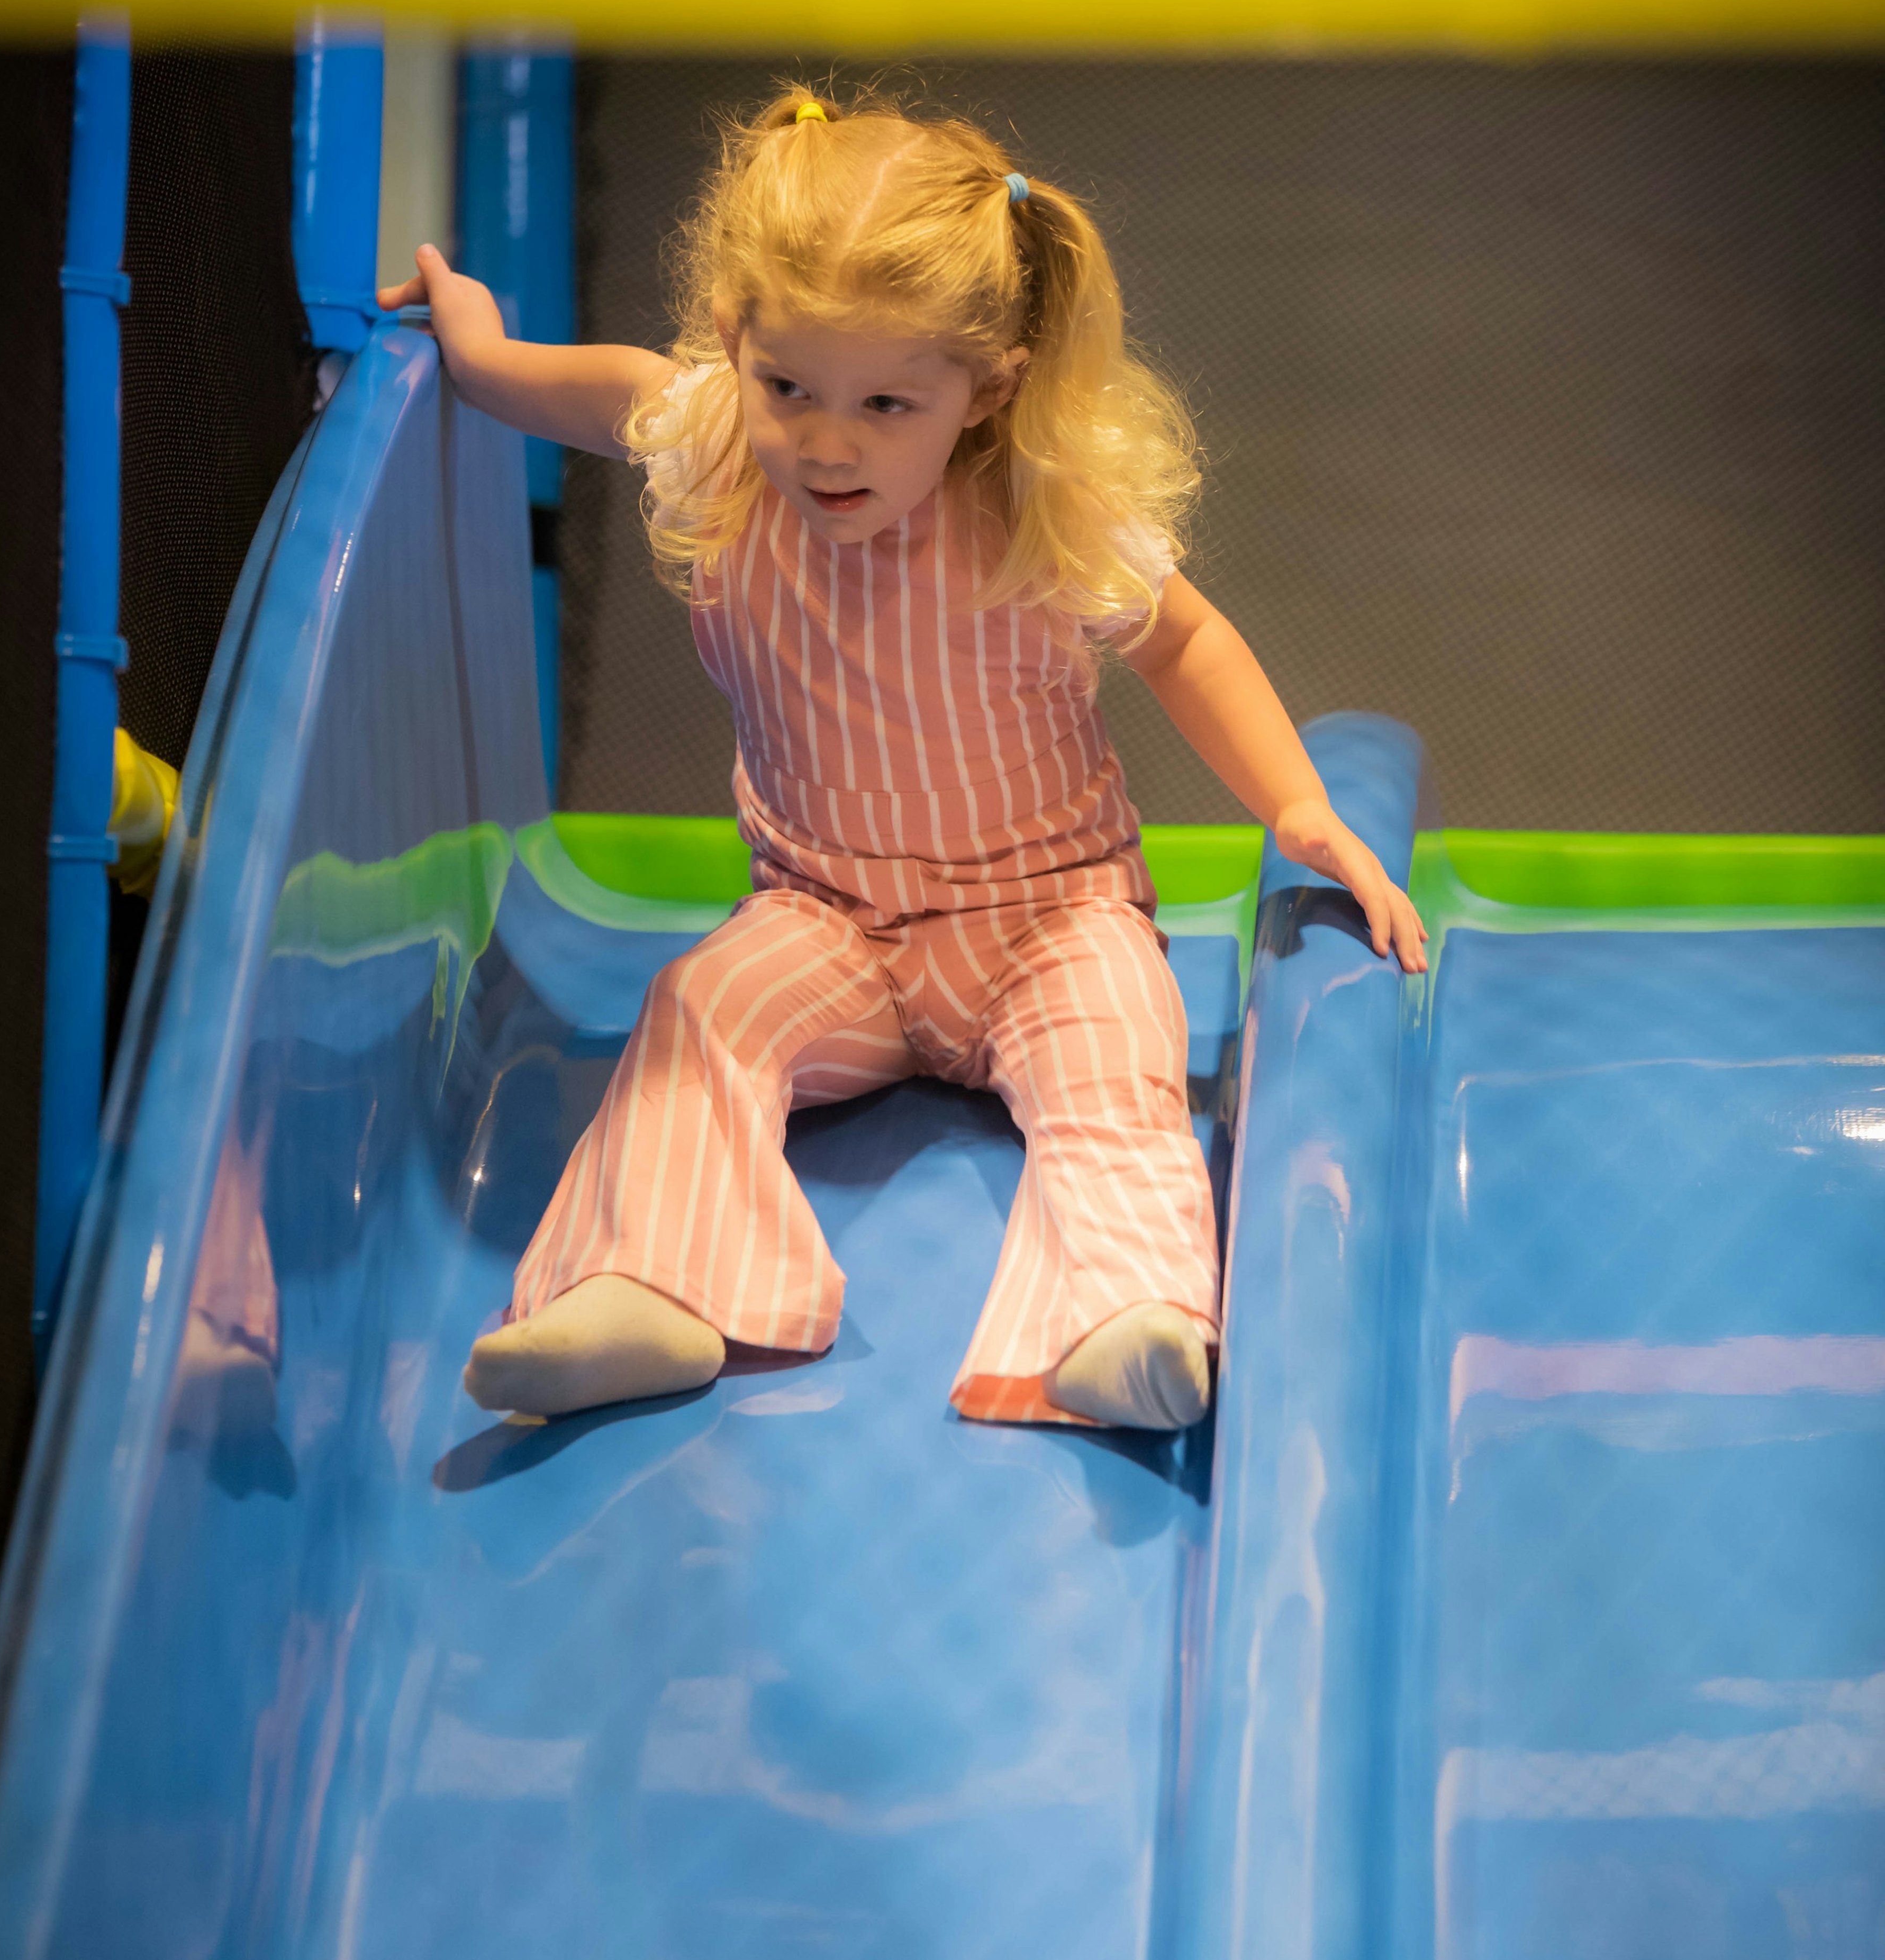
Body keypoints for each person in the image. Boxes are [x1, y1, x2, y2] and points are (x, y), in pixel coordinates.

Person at [380, 89, 1425, 1435]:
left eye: (885, 402)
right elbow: (584, 394)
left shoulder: (1039, 518)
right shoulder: (718, 449)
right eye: (788, 387)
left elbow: (1183, 642)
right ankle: (651, 1284)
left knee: (1117, 1058)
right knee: (700, 1014)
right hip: (825, 914)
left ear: (983, 388)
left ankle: (1121, 1316)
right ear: (733, 340)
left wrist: (1297, 805)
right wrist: (475, 348)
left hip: (1050, 918)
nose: (827, 440)